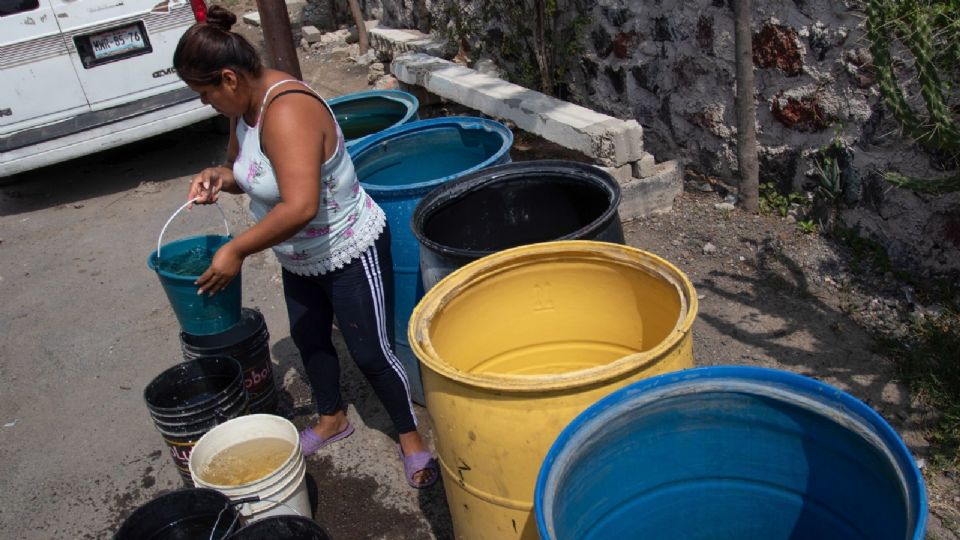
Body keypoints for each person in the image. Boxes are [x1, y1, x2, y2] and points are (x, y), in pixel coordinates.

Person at [173, 5, 437, 488]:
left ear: (228, 78)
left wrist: (235, 251)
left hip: (346, 247)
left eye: (206, 95)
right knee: (310, 336)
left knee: (372, 350)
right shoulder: (242, 110)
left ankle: (412, 439)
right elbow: (246, 176)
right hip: (298, 256)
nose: (206, 105)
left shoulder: (287, 110)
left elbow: (299, 206)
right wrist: (219, 178)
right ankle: (333, 418)